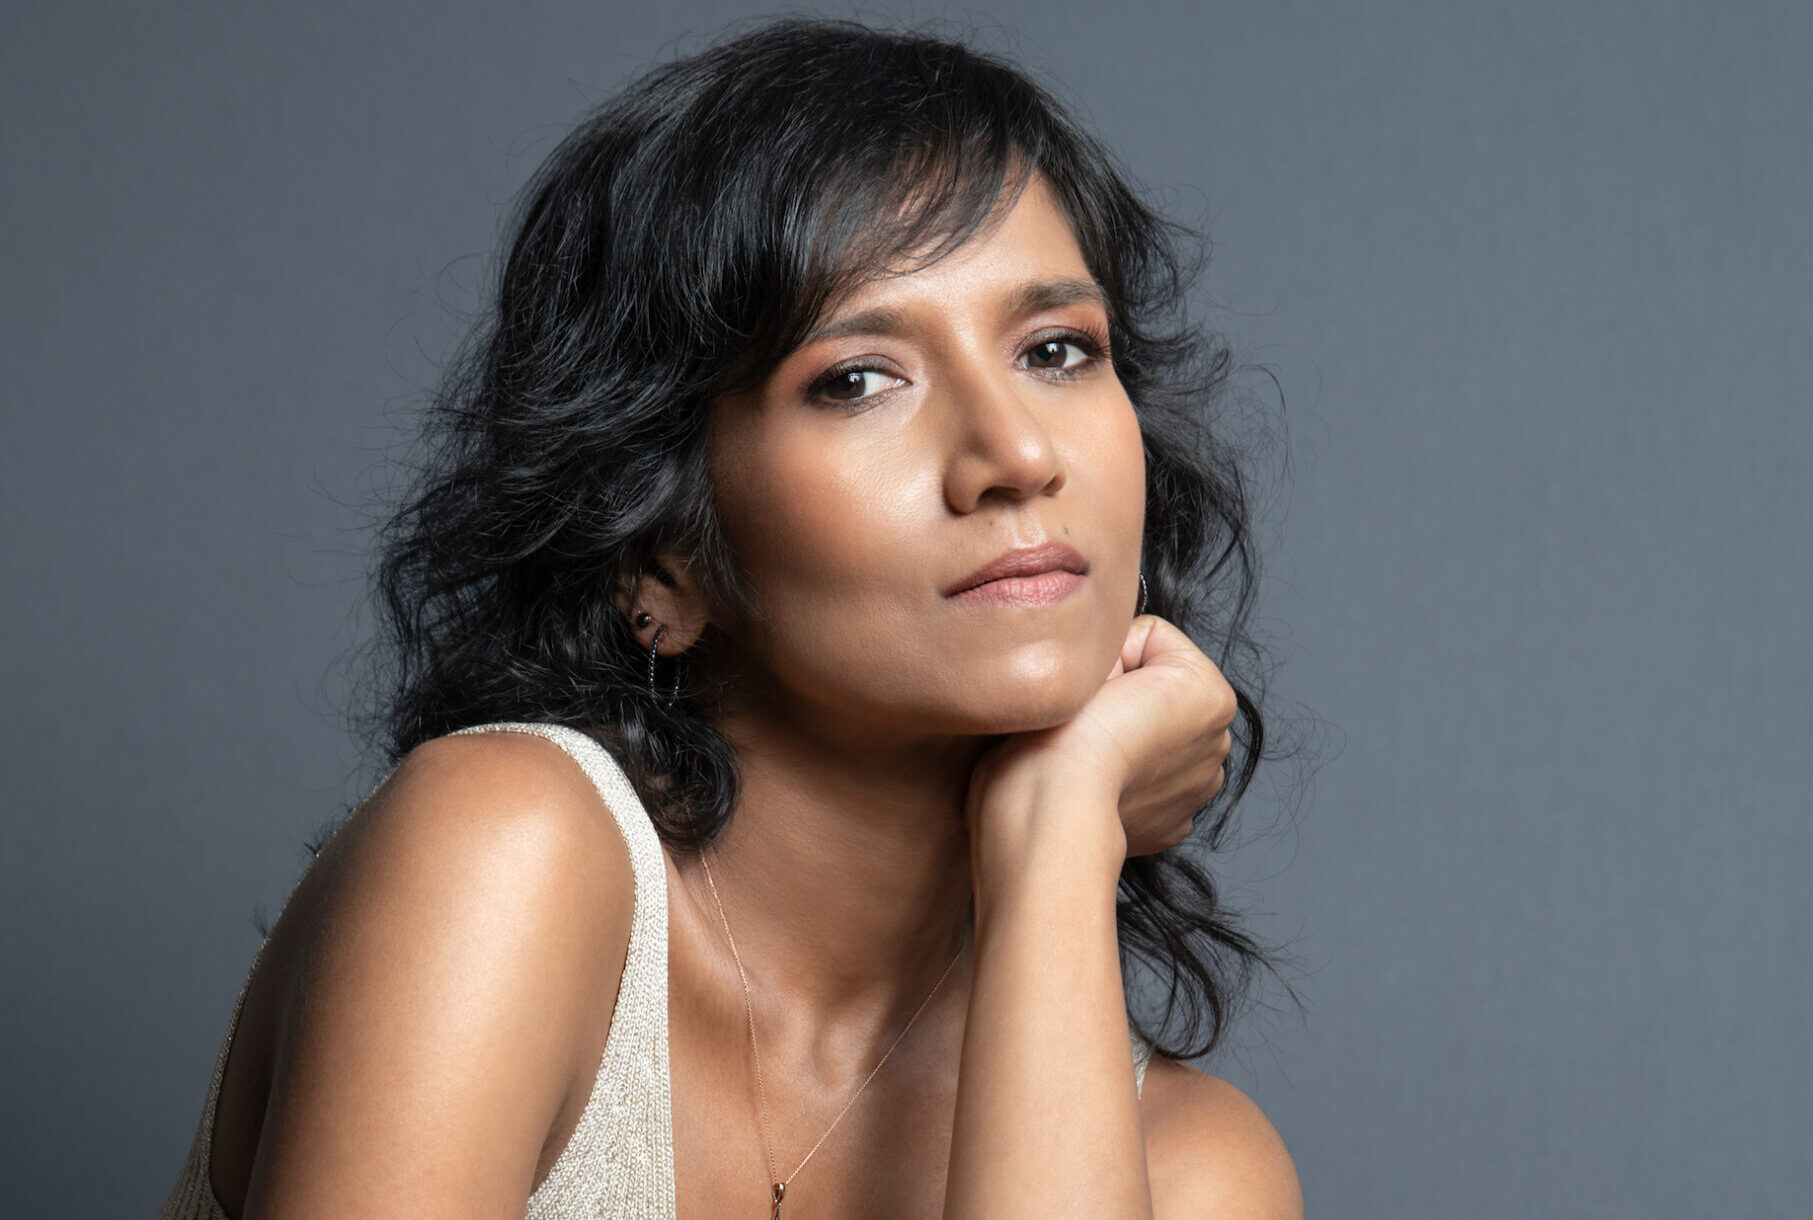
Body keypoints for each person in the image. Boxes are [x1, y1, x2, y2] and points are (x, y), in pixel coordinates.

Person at [158, 18, 1302, 1219]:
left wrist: (1059, 846)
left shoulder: (1191, 1168)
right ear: (661, 558)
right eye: (856, 377)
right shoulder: (502, 856)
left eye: (1056, 349)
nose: (1013, 453)